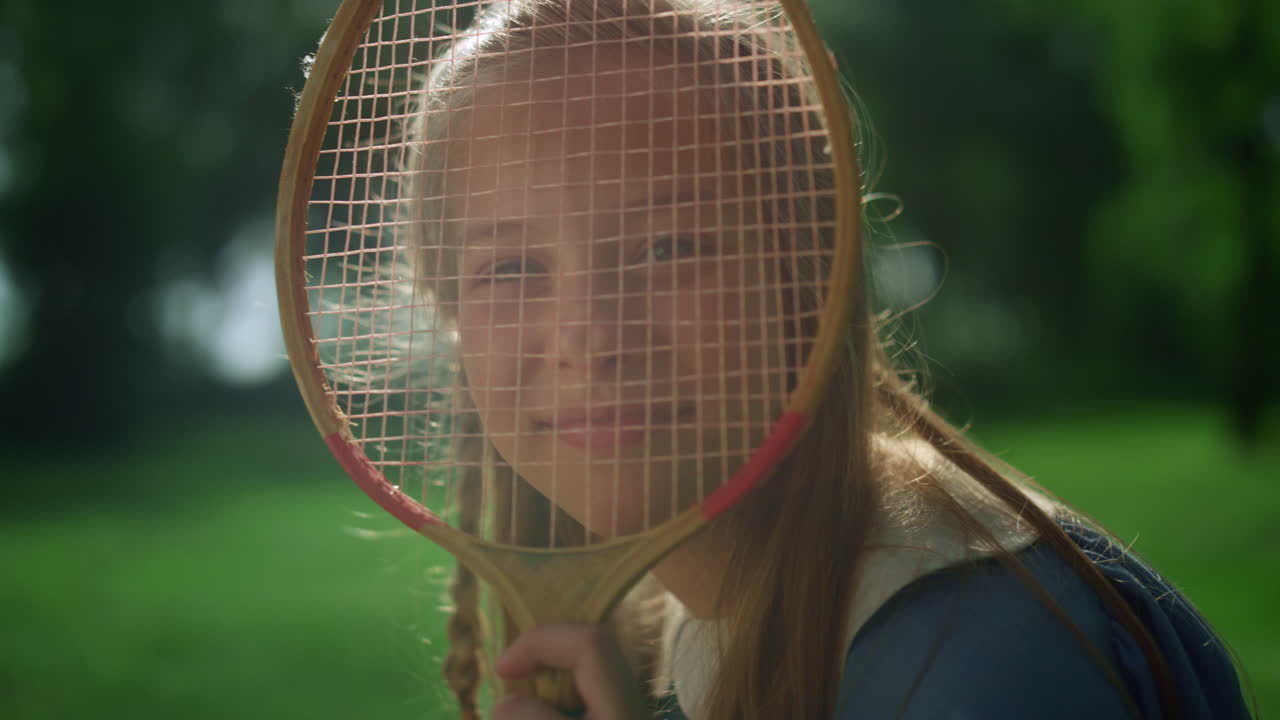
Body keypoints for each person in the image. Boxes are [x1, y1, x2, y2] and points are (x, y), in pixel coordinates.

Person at [398, 1, 1254, 718]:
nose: (587, 335)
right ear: (449, 308)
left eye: (670, 247)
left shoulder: (975, 660)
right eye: (510, 267)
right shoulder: (671, 625)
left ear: (811, 268)